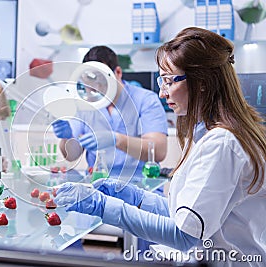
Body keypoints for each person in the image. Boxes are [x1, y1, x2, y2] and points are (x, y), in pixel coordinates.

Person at [54, 27, 266, 266]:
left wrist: (105, 206)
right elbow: (185, 213)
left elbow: (183, 235)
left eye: (168, 80)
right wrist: (135, 197)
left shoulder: (222, 144)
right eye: (161, 81)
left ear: (203, 82)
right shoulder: (211, 136)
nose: (163, 92)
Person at [52, 45, 168, 178]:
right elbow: (72, 156)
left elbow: (158, 151)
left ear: (118, 73)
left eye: (101, 82)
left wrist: (117, 140)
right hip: (98, 181)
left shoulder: (145, 100)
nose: (96, 89)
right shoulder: (84, 103)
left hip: (139, 183)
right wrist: (67, 138)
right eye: (89, 85)